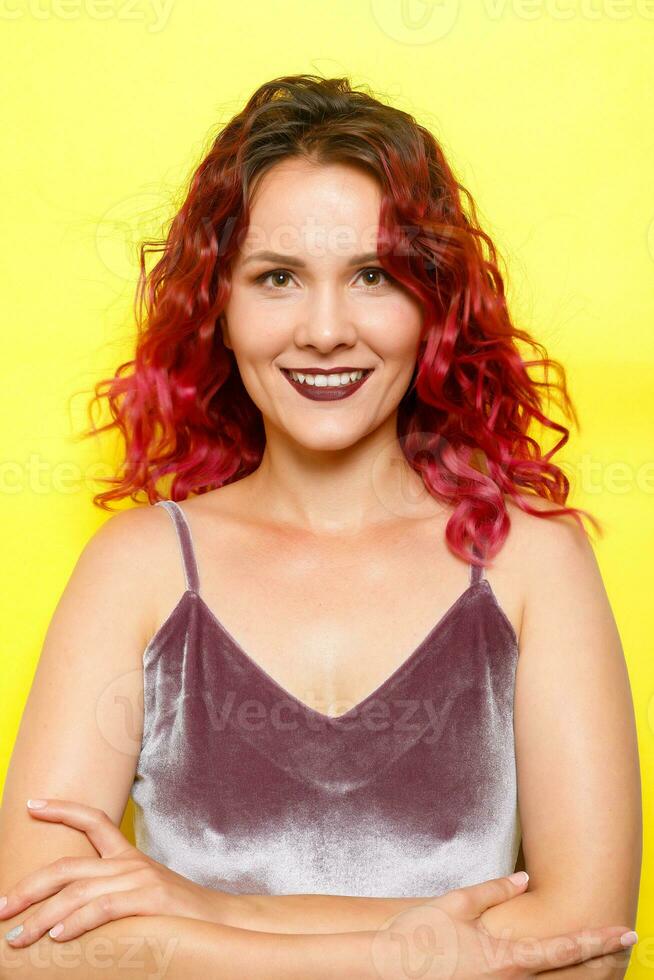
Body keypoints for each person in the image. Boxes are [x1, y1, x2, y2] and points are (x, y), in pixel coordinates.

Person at [0, 74, 641, 978]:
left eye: (374, 276)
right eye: (278, 278)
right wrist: (409, 958)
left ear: (435, 306)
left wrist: (206, 914)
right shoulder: (137, 568)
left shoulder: (532, 564)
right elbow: (26, 946)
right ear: (218, 306)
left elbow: (589, 948)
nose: (327, 329)